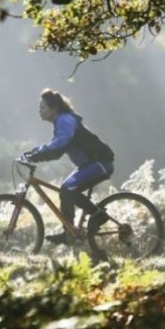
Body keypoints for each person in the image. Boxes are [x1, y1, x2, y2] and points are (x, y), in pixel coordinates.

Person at [24, 88, 115, 245]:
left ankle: (98, 215)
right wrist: (34, 153)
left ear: (53, 108)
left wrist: (36, 154)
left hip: (100, 163)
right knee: (65, 190)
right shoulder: (60, 121)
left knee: (67, 190)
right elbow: (57, 150)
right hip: (89, 165)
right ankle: (68, 233)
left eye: (42, 107)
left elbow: (60, 144)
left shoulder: (65, 120)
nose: (39, 111)